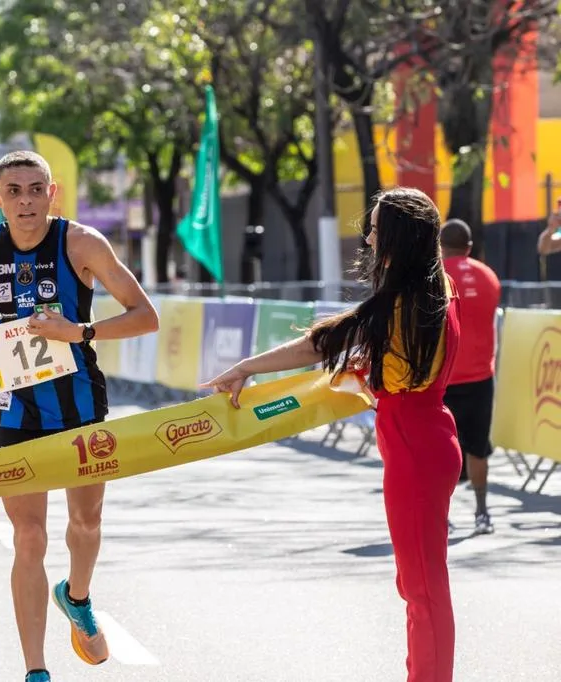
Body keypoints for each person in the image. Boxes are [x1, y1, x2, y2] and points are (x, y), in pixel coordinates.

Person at [203, 187, 462, 682]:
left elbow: (319, 345)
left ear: (400, 239)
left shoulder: (404, 302)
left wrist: (247, 367)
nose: (367, 237)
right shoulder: (435, 289)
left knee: (423, 589)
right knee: (418, 584)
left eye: (377, 229)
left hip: (414, 443)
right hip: (426, 437)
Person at [0, 150, 159, 682]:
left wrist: (79, 332)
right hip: (14, 408)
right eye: (13, 191)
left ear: (52, 192)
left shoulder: (82, 243)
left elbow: (145, 316)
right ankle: (35, 670)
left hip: (80, 404)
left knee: (85, 522)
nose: (26, 201)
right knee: (29, 537)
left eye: (35, 189)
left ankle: (76, 595)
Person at [440, 219, 501, 534]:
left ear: (441, 247)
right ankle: (482, 512)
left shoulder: (436, 278)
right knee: (478, 446)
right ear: (469, 246)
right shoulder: (488, 276)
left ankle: (443, 517)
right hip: (480, 376)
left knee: (440, 451)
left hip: (443, 379)